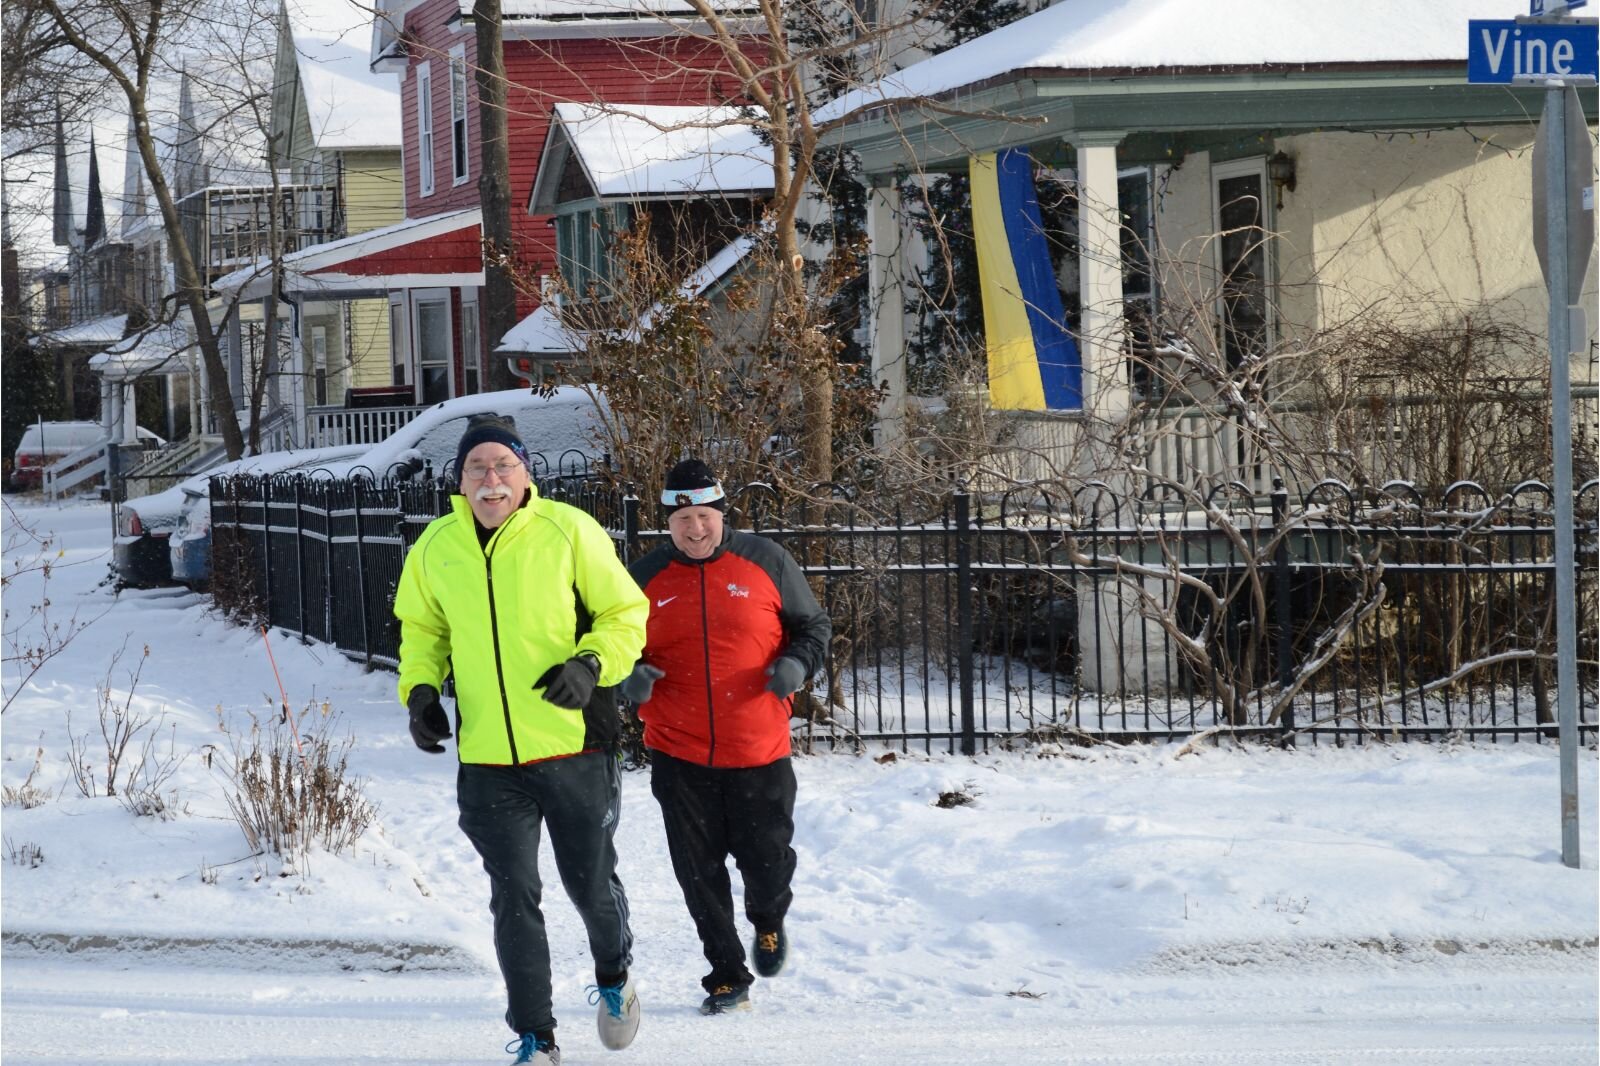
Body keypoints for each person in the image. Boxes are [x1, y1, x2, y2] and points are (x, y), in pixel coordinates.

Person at [393, 415, 649, 1066]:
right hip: (489, 759)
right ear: (460, 481)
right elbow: (422, 632)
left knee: (589, 885)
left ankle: (614, 976)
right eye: (477, 467)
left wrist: (590, 664)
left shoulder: (569, 531)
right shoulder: (436, 546)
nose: (491, 479)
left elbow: (626, 615)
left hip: (575, 746)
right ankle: (538, 1036)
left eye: (503, 465)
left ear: (525, 472)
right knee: (513, 895)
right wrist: (420, 693)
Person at [620, 458, 831, 1015]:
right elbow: (613, 644)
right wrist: (628, 678)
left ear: (721, 512)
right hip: (678, 750)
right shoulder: (643, 578)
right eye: (682, 519)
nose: (695, 529)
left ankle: (768, 919)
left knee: (767, 860)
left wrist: (797, 665)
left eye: (705, 516)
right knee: (698, 871)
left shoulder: (766, 560)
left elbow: (813, 627)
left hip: (758, 747)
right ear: (667, 521)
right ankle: (726, 974)